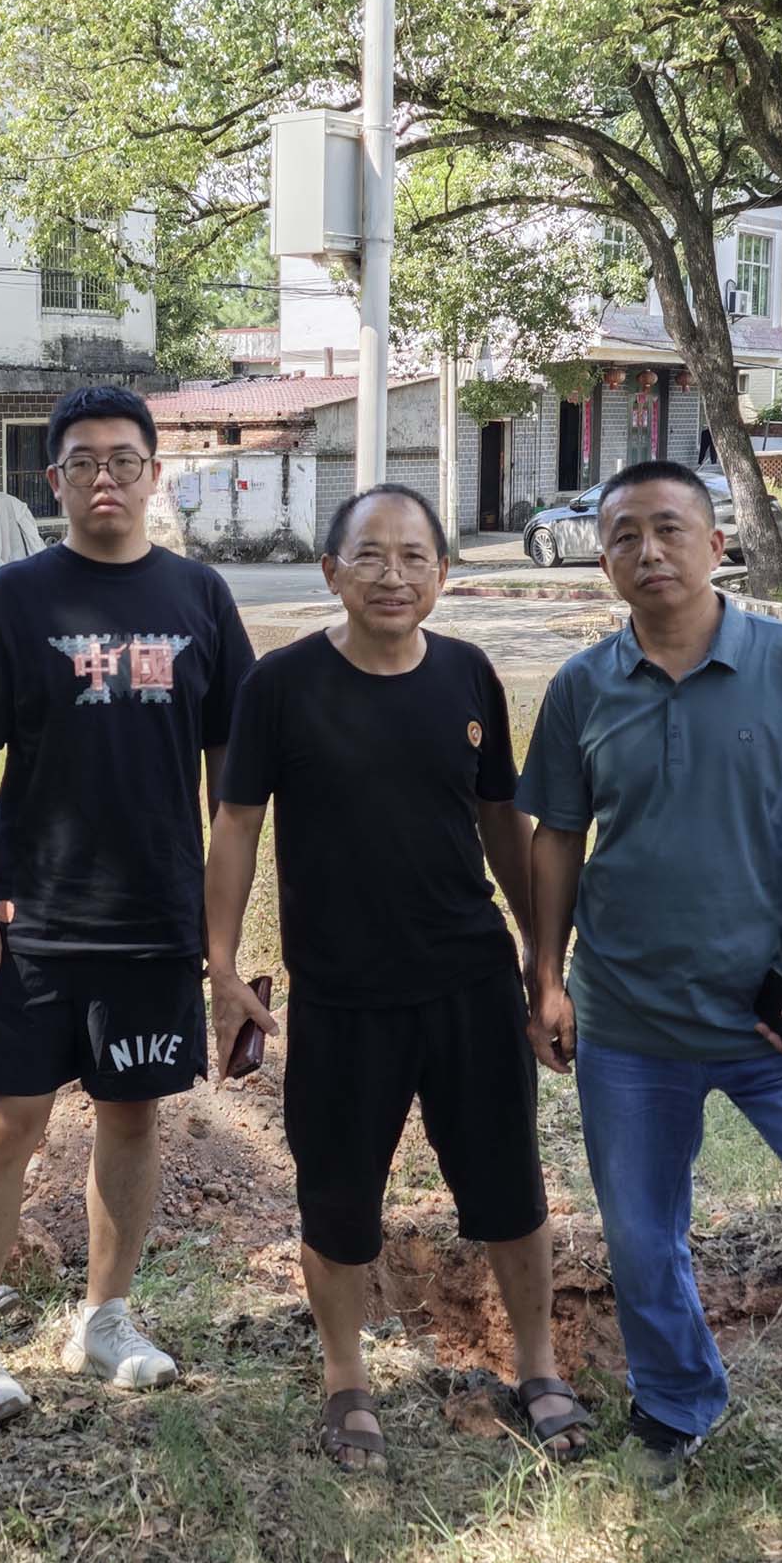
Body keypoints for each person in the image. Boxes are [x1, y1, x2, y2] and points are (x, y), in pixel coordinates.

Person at [203, 484, 585, 1471]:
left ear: (443, 574)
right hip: (342, 994)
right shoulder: (280, 685)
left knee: (512, 1189)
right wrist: (221, 966)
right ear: (330, 570)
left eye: (415, 556)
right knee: (337, 1202)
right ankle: (346, 1381)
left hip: (470, 983)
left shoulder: (468, 674)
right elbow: (236, 826)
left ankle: (538, 1366)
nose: (393, 574)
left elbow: (500, 819)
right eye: (369, 555)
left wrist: (541, 960)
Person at [0, 384, 258, 1430]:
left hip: (154, 919)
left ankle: (104, 1317)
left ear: (154, 474)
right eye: (82, 462)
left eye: (123, 459)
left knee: (131, 1117)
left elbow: (233, 787)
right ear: (54, 480)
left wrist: (222, 944)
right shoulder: (15, 597)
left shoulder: (201, 596)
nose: (104, 477)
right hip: (34, 919)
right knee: (6, 1126)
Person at [517, 458, 782, 1468]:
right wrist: (547, 978)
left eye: (669, 529)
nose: (648, 551)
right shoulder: (583, 685)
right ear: (603, 560)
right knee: (642, 1234)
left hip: (778, 1013)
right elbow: (557, 837)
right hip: (630, 1015)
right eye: (625, 536)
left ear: (716, 543)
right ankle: (676, 1401)